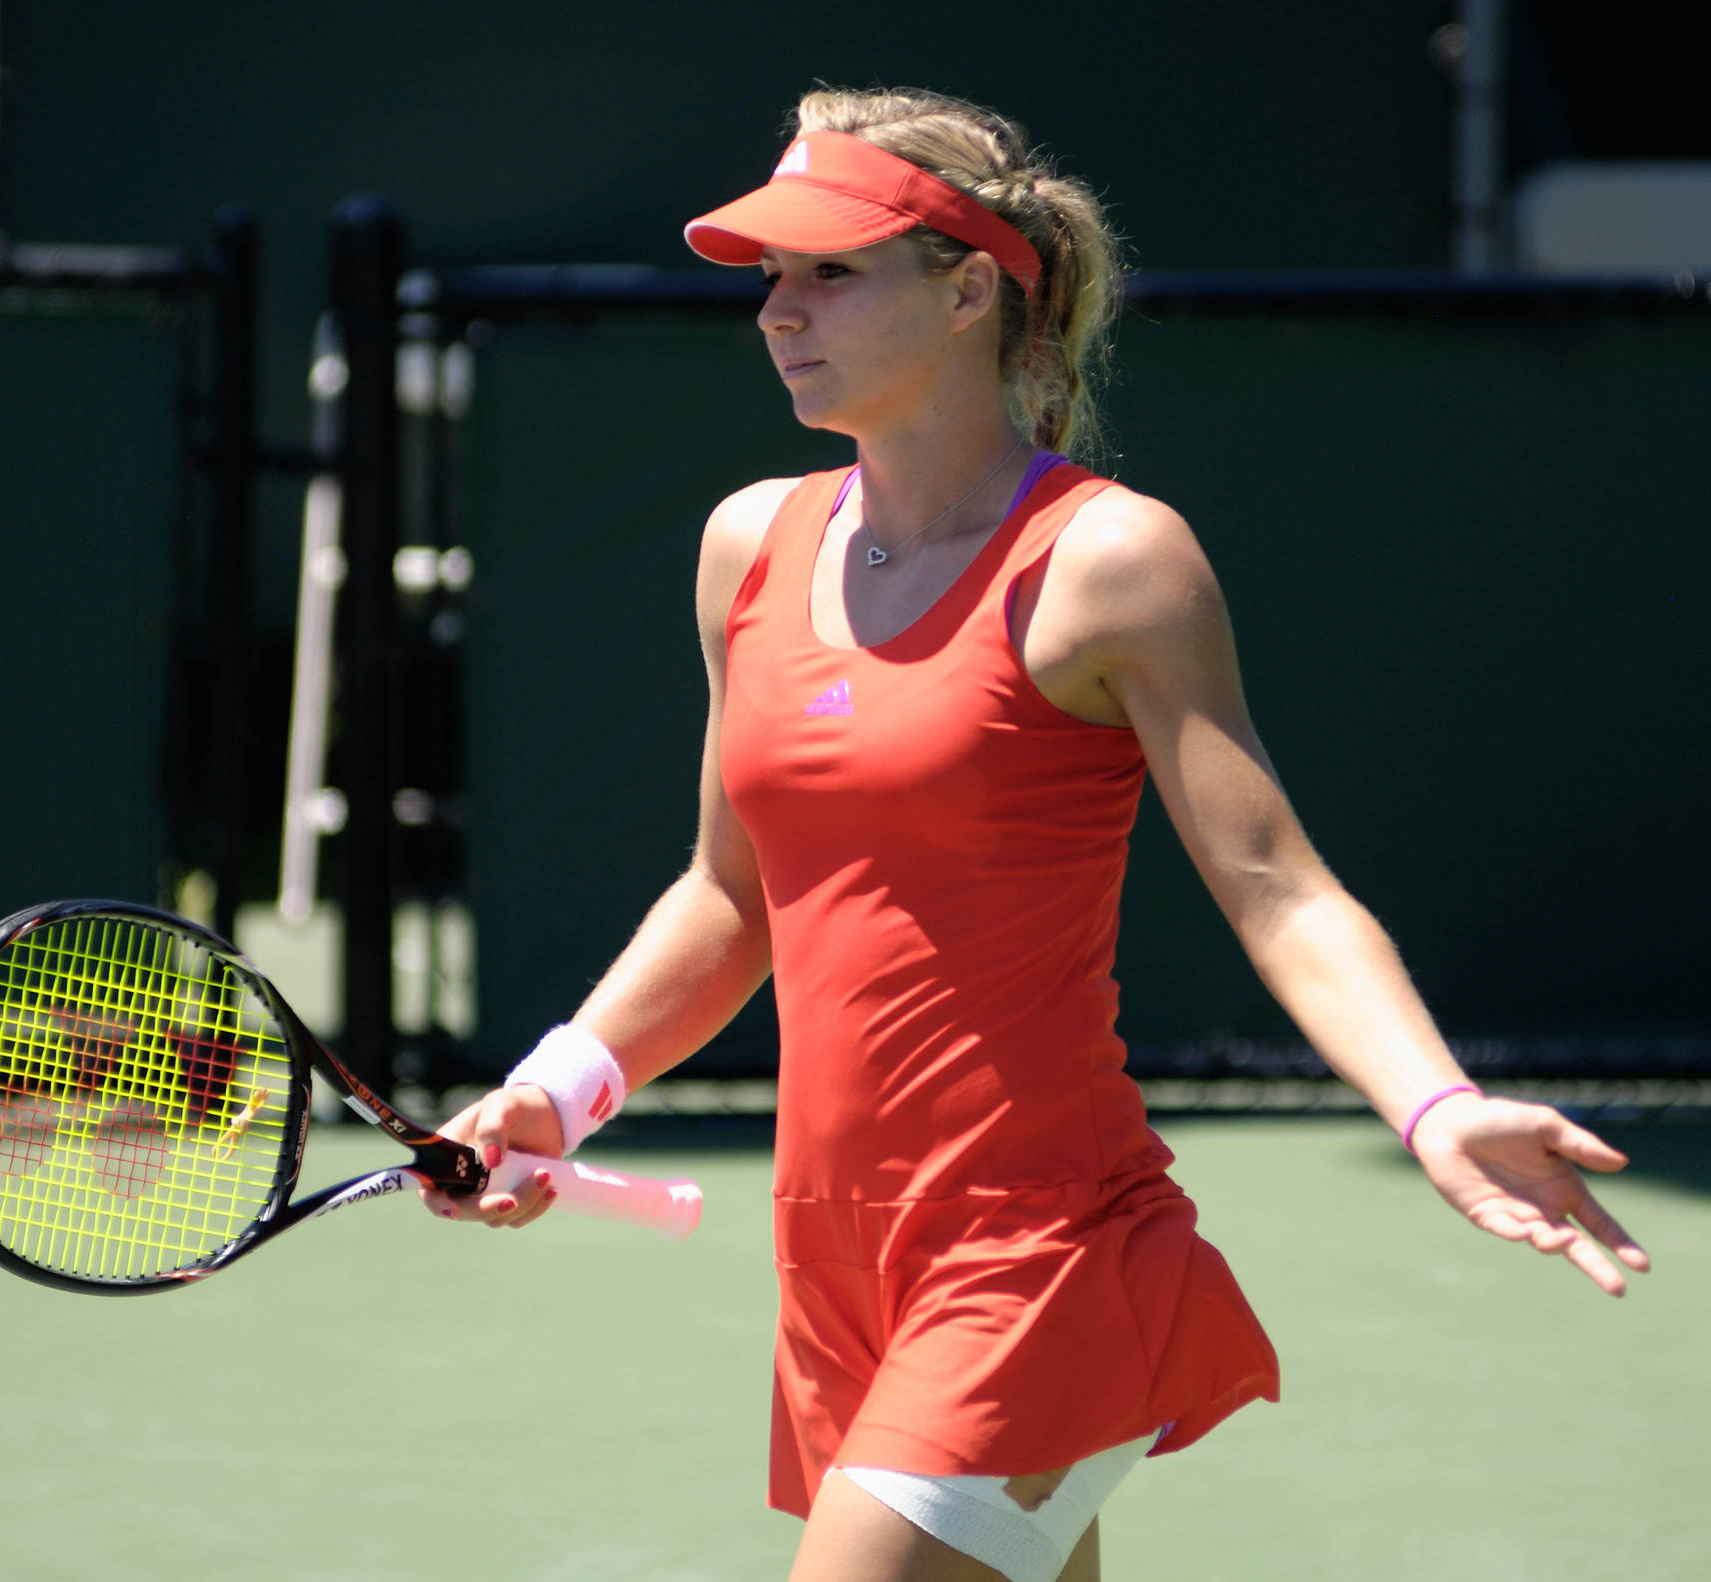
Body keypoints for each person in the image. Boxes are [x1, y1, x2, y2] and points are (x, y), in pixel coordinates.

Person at [421, 86, 1649, 1582]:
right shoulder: (747, 544)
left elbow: (1277, 888)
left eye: (830, 271)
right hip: (838, 1254)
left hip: (1038, 1252)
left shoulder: (1110, 562)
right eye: (767, 277)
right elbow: (730, 895)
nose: (777, 312)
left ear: (968, 290)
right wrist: (559, 1086)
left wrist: (1436, 1106)